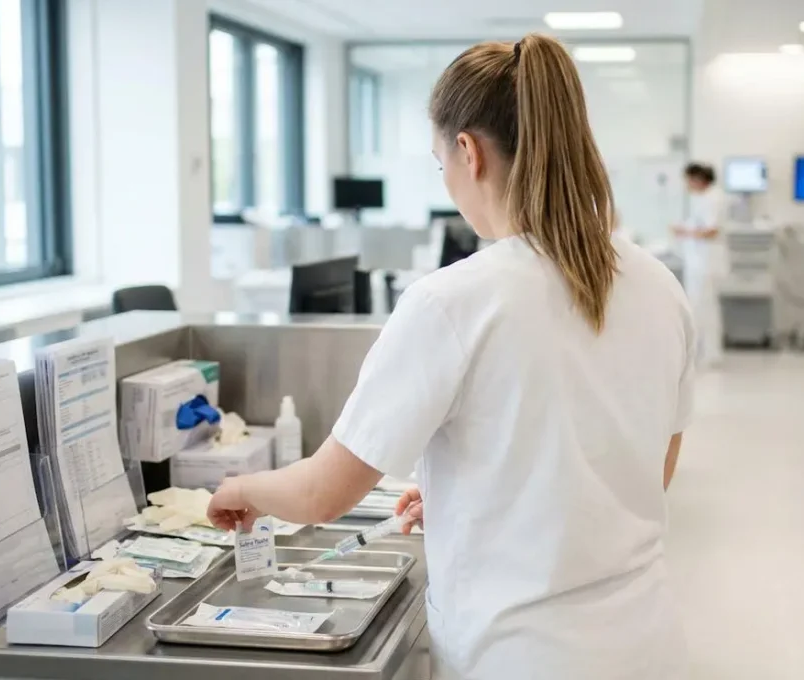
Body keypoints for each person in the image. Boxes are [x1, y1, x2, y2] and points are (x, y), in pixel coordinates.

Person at [206, 33, 693, 680]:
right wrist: (477, 495)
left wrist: (240, 488)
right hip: (648, 644)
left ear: (468, 151)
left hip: (520, 656)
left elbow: (322, 493)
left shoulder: (452, 301)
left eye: (442, 165)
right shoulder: (659, 285)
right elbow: (646, 470)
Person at [672, 163, 729, 367]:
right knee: (700, 308)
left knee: (704, 309)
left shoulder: (713, 198)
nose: (686, 185)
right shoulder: (705, 198)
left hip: (706, 264)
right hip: (700, 263)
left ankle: (709, 354)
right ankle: (702, 353)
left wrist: (684, 232)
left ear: (698, 179)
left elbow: (712, 231)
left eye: (688, 180)